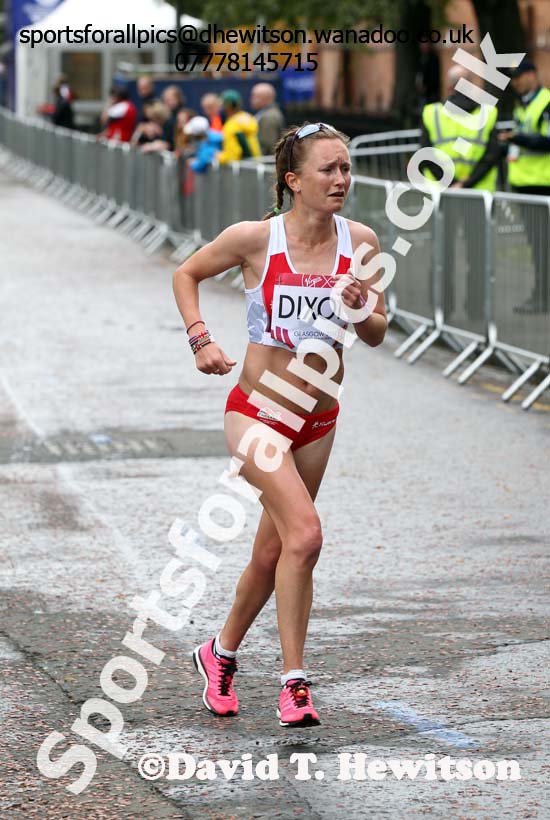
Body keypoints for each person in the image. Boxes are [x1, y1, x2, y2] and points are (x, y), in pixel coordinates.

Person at [172, 122, 387, 727]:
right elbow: (185, 274)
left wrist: (361, 306)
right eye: (328, 169)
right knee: (308, 535)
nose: (341, 179)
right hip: (258, 414)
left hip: (318, 420)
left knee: (275, 552)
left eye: (346, 168)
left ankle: (219, 653)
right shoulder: (253, 239)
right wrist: (200, 339)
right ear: (294, 180)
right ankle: (294, 681)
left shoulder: (361, 240)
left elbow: (376, 334)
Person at [420, 66, 501, 321]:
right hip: (478, 197)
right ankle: (476, 310)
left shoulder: (432, 114)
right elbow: (491, 155)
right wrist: (466, 183)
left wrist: (451, 182)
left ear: (449, 87)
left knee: (443, 254)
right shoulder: (488, 114)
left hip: (443, 196)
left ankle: (443, 310)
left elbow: (424, 156)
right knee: (478, 256)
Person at [499, 58, 550, 314]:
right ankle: (541, 294)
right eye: (513, 78)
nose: (516, 82)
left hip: (542, 186)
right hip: (526, 187)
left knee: (543, 246)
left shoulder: (545, 103)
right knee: (538, 245)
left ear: (533, 74)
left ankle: (542, 297)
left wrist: (517, 138)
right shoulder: (523, 104)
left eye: (519, 76)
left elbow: (547, 141)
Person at [217, 89, 261, 164]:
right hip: (256, 166)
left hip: (242, 171)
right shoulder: (249, 118)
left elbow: (232, 155)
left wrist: (219, 156)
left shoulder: (231, 126)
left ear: (227, 107)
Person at [250, 82, 285, 155]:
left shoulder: (269, 117)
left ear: (264, 98)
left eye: (254, 96)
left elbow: (268, 145)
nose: (251, 99)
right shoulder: (266, 113)